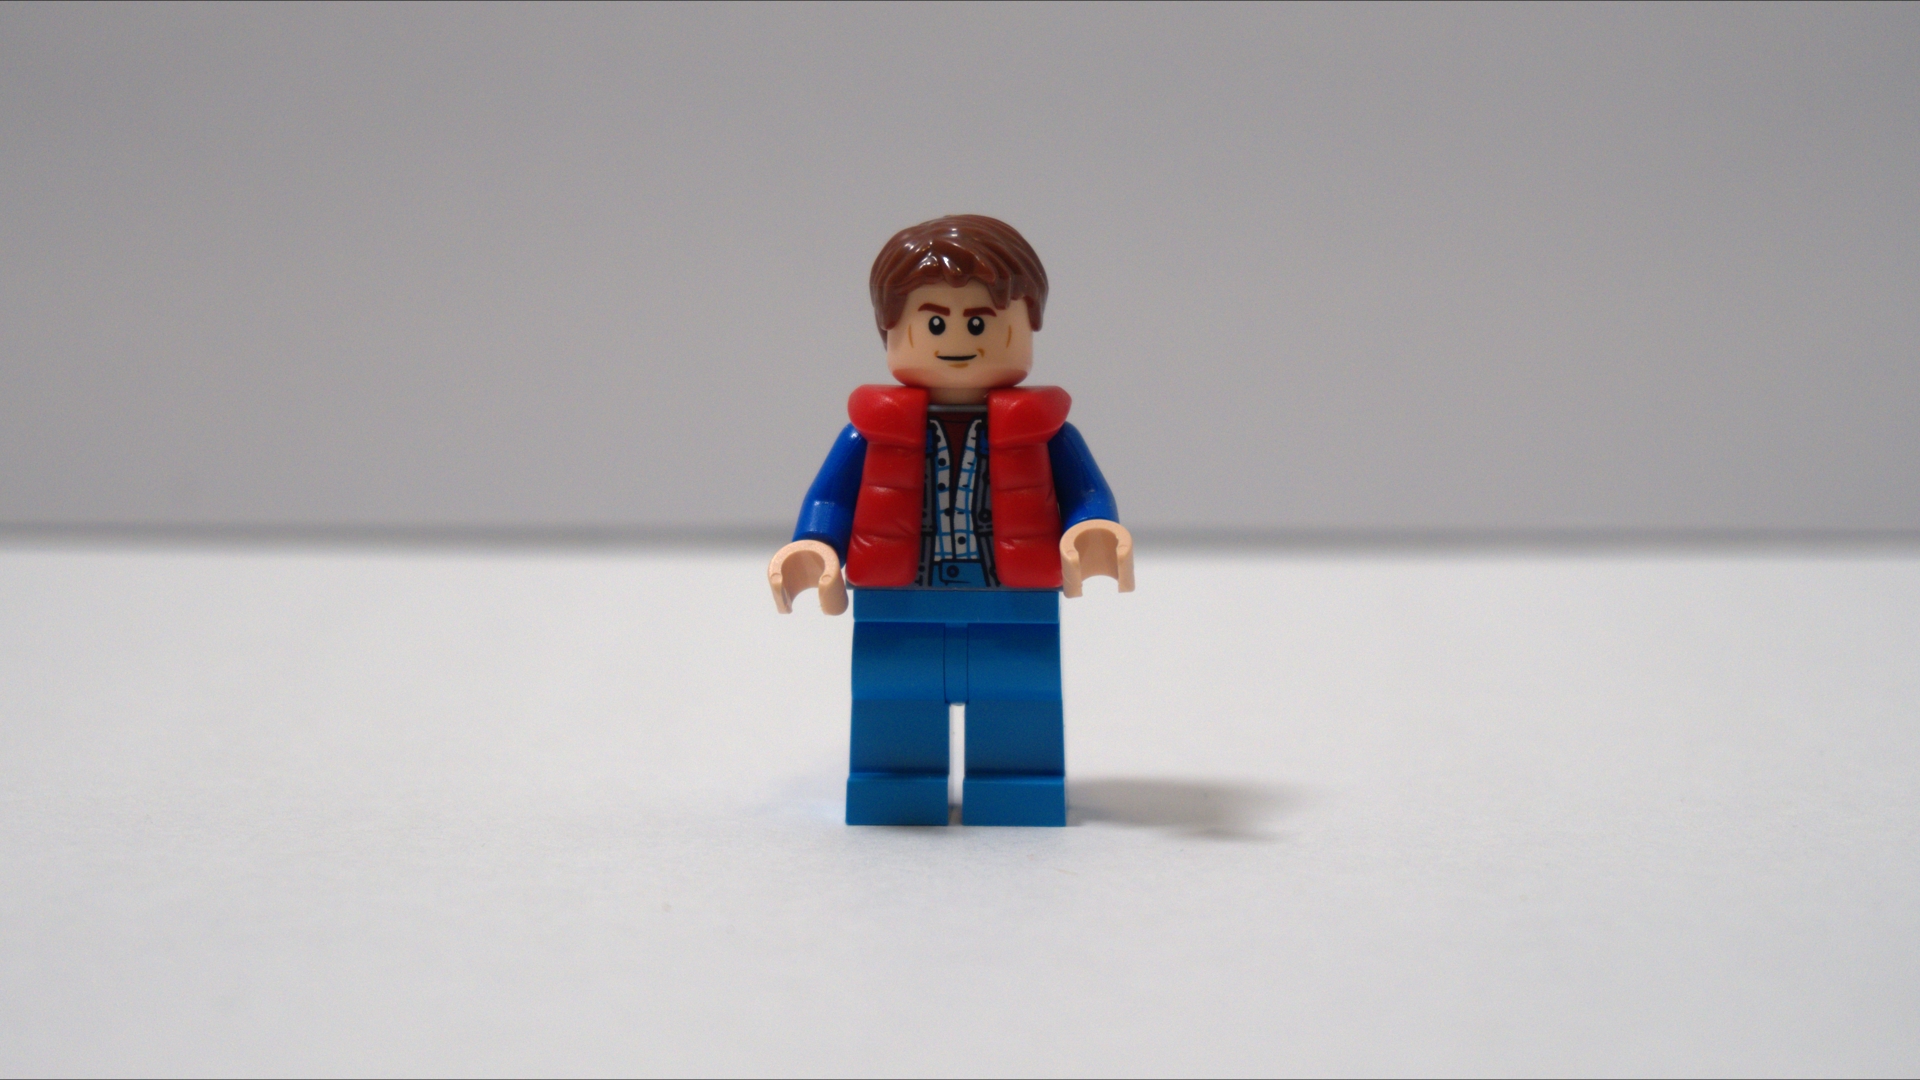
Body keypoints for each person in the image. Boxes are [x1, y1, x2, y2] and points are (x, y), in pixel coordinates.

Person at [768, 215, 1133, 826]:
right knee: (893, 701)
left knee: (1018, 700)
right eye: (935, 323)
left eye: (981, 322)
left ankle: (1018, 786)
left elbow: (1087, 493)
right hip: (898, 600)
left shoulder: (1046, 432)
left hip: (1013, 601)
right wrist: (815, 545)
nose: (958, 339)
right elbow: (830, 499)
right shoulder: (870, 432)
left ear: (1027, 325)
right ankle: (896, 786)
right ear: (890, 330)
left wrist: (1092, 529)